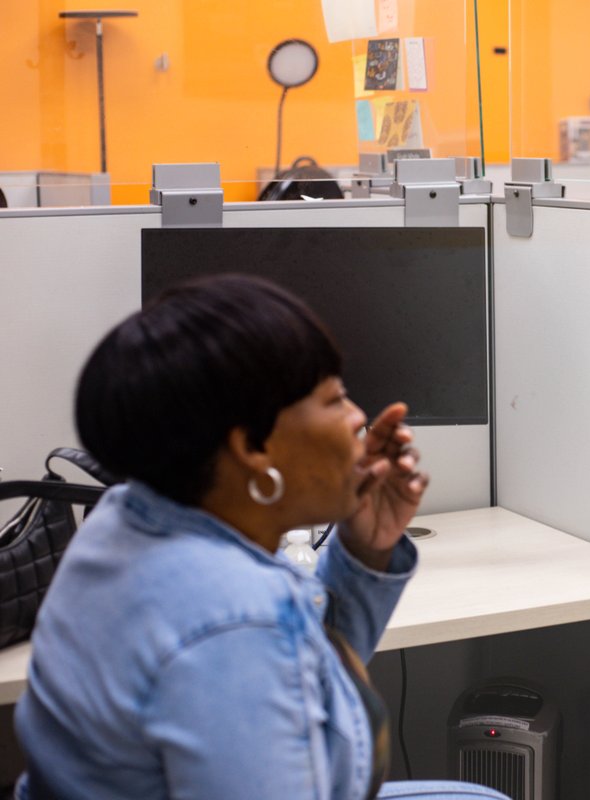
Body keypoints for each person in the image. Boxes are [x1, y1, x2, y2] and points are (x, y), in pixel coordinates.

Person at [14, 275, 509, 800]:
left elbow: (309, 672)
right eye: (335, 399)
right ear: (252, 446)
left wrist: (365, 547)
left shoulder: (126, 517)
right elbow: (253, 646)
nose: (359, 418)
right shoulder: (234, 623)